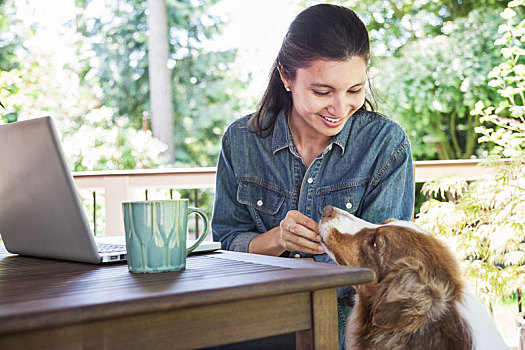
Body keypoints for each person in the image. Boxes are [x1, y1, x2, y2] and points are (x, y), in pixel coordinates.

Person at [211, 3, 414, 349]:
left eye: (354, 90)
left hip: (342, 328)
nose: (339, 109)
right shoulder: (241, 140)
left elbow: (385, 266)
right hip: (253, 321)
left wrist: (306, 268)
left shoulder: (386, 145)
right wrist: (277, 239)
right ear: (286, 77)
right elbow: (227, 243)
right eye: (322, 92)